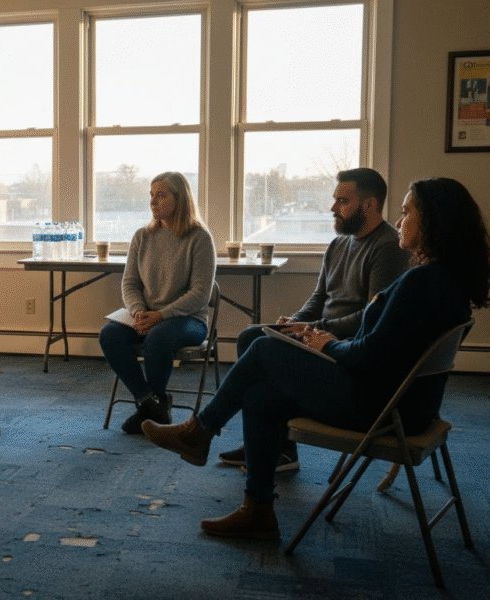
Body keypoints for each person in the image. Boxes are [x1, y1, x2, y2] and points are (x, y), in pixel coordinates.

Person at [141, 177, 490, 540]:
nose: (400, 222)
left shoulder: (421, 283)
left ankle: (201, 431)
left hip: (382, 407)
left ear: (433, 220)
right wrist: (316, 336)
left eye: (406, 213)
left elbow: (370, 354)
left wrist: (327, 345)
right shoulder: (445, 281)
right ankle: (257, 511)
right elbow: (383, 348)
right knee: (261, 397)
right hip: (405, 403)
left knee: (262, 349)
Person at [220, 168, 410, 472]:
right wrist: (295, 321)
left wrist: (315, 329)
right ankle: (274, 444)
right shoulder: (338, 244)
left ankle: (267, 443)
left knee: (259, 348)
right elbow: (319, 298)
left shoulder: (387, 247)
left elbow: (372, 317)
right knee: (251, 336)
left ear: (369, 205)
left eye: (342, 201)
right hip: (320, 335)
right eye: (335, 200)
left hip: (342, 348)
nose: (333, 208)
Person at [98, 172, 216, 434]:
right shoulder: (142, 236)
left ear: (180, 198)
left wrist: (161, 315)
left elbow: (200, 294)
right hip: (147, 316)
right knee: (109, 334)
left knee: (158, 338)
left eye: (161, 195)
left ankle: (150, 407)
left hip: (189, 320)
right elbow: (130, 284)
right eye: (151, 195)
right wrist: (139, 312)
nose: (153, 201)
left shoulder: (199, 238)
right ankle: (150, 403)